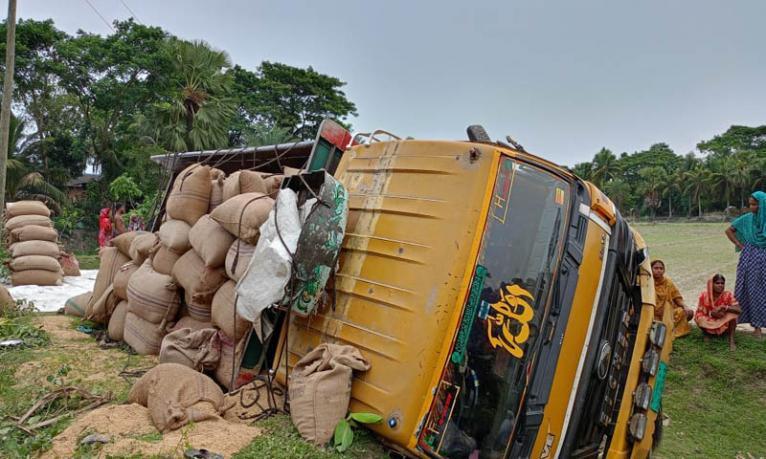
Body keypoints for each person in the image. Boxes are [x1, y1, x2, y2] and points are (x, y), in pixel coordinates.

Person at [725, 191, 766, 338]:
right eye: (750, 204)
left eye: (755, 204)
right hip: (749, 260)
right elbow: (729, 230)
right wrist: (739, 244)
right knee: (752, 291)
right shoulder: (747, 219)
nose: (752, 207)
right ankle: (756, 327)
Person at [695, 274, 741, 350]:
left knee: (733, 315)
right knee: (699, 317)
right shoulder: (704, 295)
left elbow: (739, 310)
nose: (720, 285)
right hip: (710, 319)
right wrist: (712, 314)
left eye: (722, 283)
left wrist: (725, 307)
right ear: (711, 284)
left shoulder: (727, 295)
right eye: (717, 283)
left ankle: (731, 340)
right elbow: (700, 311)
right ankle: (707, 334)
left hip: (722, 319)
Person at [651, 259, 693, 338]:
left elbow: (677, 297)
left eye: (661, 268)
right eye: (656, 268)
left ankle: (670, 328)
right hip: (651, 313)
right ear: (651, 269)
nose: (659, 270)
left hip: (668, 312)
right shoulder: (647, 282)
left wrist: (685, 306)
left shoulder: (668, 282)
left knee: (687, 313)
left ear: (664, 270)